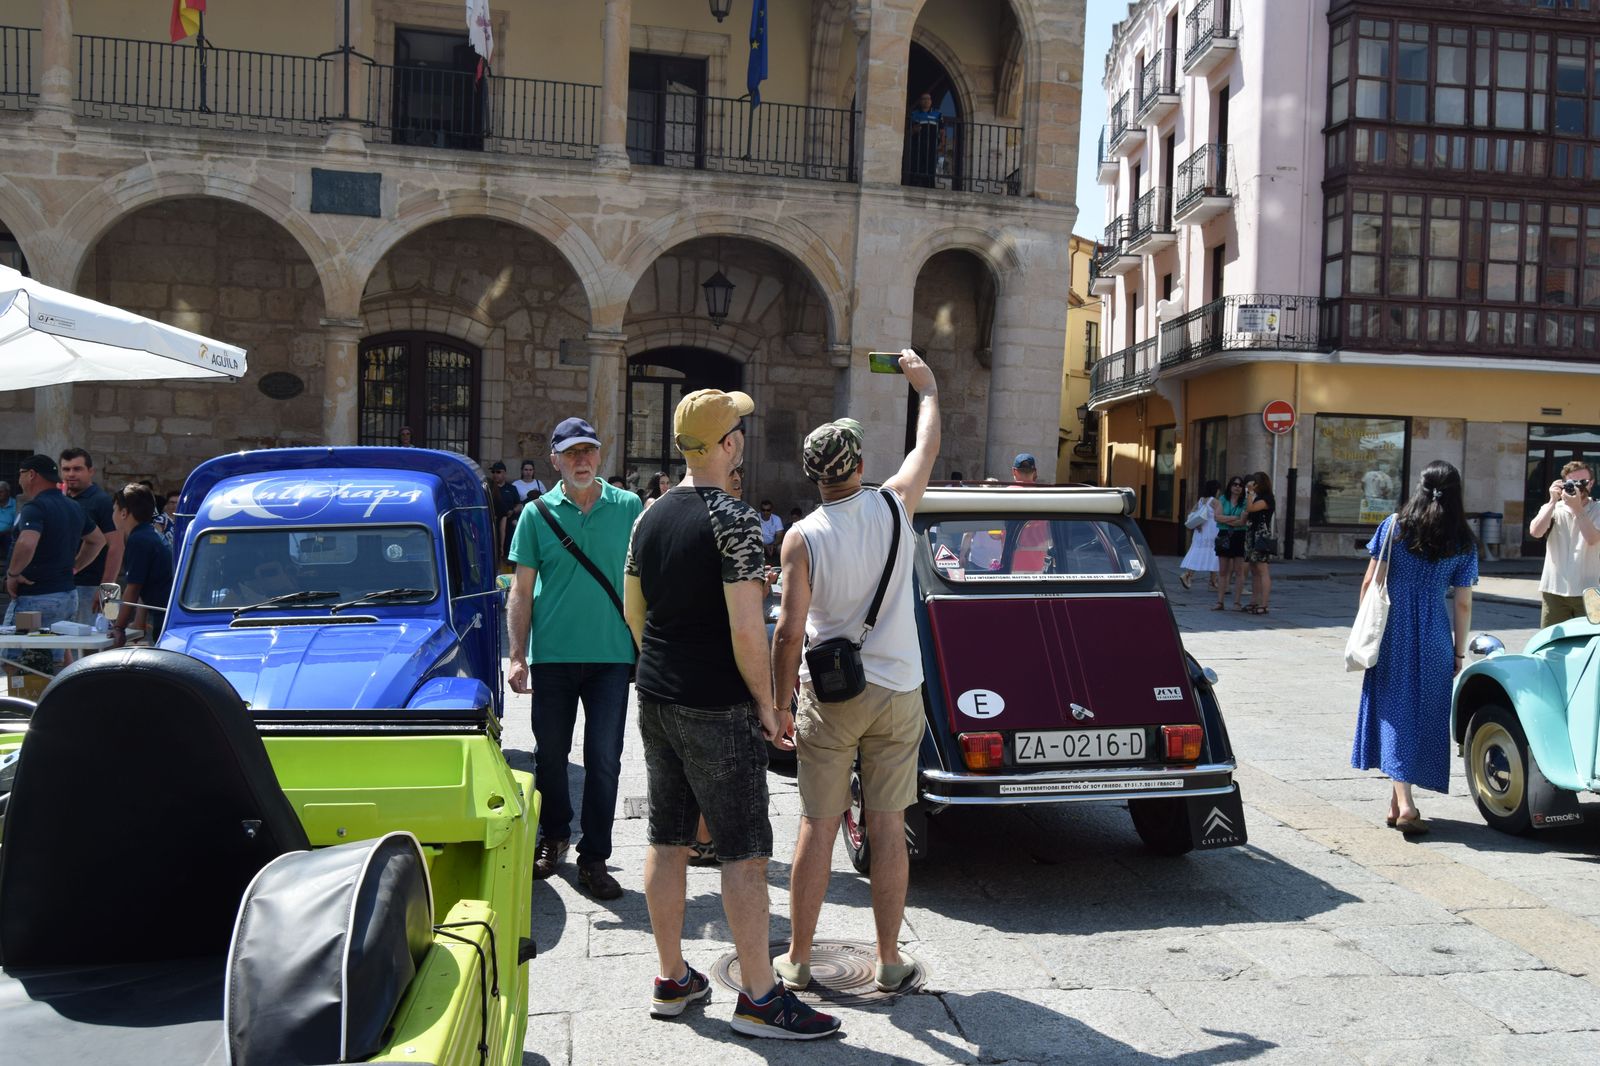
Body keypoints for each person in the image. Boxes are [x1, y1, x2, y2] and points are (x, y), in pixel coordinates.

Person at [623, 388, 839, 1040]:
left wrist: (666, 661)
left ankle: (671, 978)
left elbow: (635, 610)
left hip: (656, 694)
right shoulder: (735, 519)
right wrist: (772, 705)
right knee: (744, 855)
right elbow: (751, 632)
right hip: (715, 706)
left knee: (668, 839)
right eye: (738, 430)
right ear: (728, 444)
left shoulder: (649, 516)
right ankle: (761, 998)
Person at [772, 347, 939, 997]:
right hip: (899, 691)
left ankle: (798, 958)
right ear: (860, 467)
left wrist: (781, 703)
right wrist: (924, 387)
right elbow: (927, 443)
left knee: (818, 824)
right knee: (888, 824)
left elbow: (789, 631)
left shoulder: (802, 537)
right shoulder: (896, 505)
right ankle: (890, 958)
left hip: (832, 696)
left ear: (813, 475)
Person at [507, 418, 641, 901]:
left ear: (599, 456)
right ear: (555, 459)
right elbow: (520, 591)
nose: (582, 460)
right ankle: (556, 835)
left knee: (604, 759)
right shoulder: (536, 514)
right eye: (572, 453)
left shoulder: (628, 507)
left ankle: (595, 857)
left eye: (589, 451)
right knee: (551, 758)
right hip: (554, 658)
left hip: (610, 657)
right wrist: (517, 656)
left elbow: (645, 581)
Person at [1351, 460, 1477, 833]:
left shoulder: (1394, 526)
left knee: (1394, 709)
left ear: (1419, 488)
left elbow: (1371, 581)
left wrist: (1365, 631)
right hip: (1436, 633)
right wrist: (1458, 650)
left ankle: (1402, 804)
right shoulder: (1463, 539)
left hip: (1392, 629)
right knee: (1423, 712)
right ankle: (1400, 803)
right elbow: (1464, 601)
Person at [3, 456, 106, 675]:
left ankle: (23, 708)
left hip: (35, 598)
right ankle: (65, 702)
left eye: (21, 473)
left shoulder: (35, 507)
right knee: (57, 656)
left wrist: (13, 574)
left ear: (31, 474)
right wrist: (74, 567)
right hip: (67, 596)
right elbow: (97, 540)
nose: (19, 480)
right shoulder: (73, 506)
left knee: (17, 660)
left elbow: (27, 542)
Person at [1528, 459, 1600, 629]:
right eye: (1572, 482)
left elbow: (1592, 539)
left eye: (1582, 482)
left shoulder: (1597, 509)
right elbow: (1536, 532)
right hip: (1554, 590)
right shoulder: (1553, 508)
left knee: (1589, 643)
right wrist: (1553, 501)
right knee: (1551, 644)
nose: (1578, 487)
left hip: (1589, 590)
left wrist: (1577, 509)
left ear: (1591, 484)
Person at [60, 448, 123, 628]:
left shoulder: (101, 501)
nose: (71, 474)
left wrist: (106, 591)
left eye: (77, 469)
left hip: (93, 586)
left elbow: (117, 547)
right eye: (66, 469)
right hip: (67, 586)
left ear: (91, 471)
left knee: (96, 645)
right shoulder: (62, 500)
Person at [108, 482, 174, 647]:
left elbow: (133, 588)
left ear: (124, 513)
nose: (113, 514)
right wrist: (139, 624)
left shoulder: (139, 540)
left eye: (114, 509)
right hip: (166, 613)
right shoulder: (150, 534)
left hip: (164, 617)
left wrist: (119, 628)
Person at [1242, 471, 1275, 615]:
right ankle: (1253, 601)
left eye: (1254, 483)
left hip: (1260, 535)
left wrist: (1249, 493)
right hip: (1252, 534)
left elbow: (1250, 508)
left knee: (1262, 570)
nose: (1252, 485)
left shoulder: (1267, 499)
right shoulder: (1257, 497)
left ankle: (1264, 604)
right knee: (1254, 570)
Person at [1213, 477, 1248, 611]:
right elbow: (1216, 517)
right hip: (1224, 535)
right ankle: (1220, 602)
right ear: (1230, 486)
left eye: (1240, 485)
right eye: (1234, 484)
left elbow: (1242, 522)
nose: (1237, 487)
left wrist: (1225, 519)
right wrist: (1233, 518)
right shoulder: (1223, 499)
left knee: (1239, 571)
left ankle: (1237, 603)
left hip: (1239, 536)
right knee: (1223, 570)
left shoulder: (1244, 502)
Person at [1179, 480, 1221, 591]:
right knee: (1214, 554)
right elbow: (1219, 516)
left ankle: (1191, 575)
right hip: (1212, 531)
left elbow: (1191, 513)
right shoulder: (1215, 501)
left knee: (1198, 554)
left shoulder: (1201, 501)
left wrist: (1197, 523)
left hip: (1200, 531)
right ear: (1216, 490)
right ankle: (1211, 582)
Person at [904, 92, 943, 187]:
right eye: (924, 99)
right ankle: (914, 183)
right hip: (918, 144)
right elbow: (908, 131)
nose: (926, 101)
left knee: (930, 165)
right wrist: (914, 130)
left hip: (932, 144)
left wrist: (942, 143)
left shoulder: (937, 114)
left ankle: (930, 185)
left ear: (931, 101)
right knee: (916, 164)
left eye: (928, 99)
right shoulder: (914, 114)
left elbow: (942, 130)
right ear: (920, 101)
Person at [489, 462, 519, 562]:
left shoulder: (511, 488)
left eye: (498, 472)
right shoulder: (489, 488)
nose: (495, 474)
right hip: (493, 525)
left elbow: (519, 504)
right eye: (493, 472)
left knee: (507, 554)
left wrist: (513, 511)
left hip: (509, 525)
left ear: (504, 473)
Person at [0, 482, 15, 563]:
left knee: (11, 542)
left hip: (8, 534)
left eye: (1, 492)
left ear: (8, 492)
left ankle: (9, 569)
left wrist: (3, 532)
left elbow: (16, 525)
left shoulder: (15, 505)